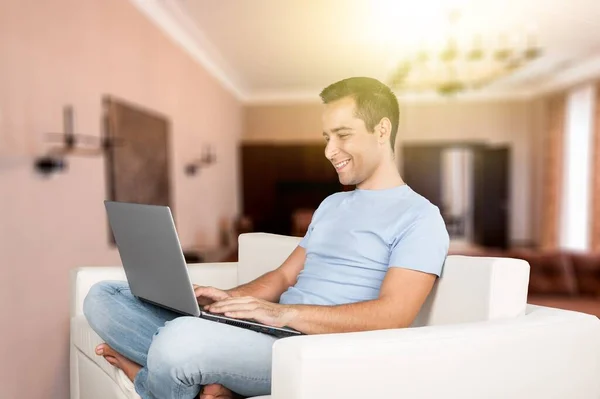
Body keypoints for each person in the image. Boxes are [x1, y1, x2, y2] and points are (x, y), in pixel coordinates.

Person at [83, 77, 450, 399]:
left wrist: (283, 312)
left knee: (178, 342)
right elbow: (284, 276)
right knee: (103, 296)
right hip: (268, 332)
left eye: (342, 135)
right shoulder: (332, 205)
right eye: (327, 137)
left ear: (382, 130)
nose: (329, 150)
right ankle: (203, 379)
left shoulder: (420, 217)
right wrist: (230, 300)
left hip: (312, 350)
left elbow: (393, 315)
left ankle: (147, 382)